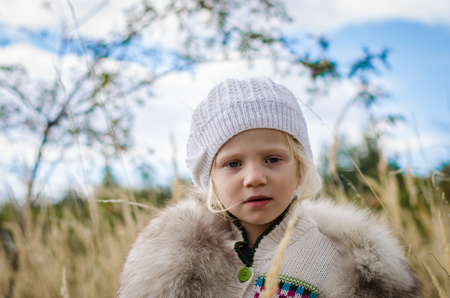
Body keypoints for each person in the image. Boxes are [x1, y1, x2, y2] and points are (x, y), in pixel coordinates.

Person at [117, 77, 421, 298]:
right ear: (209, 179)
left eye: (273, 159)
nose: (254, 178)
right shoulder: (168, 259)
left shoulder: (343, 262)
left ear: (301, 169)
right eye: (233, 164)